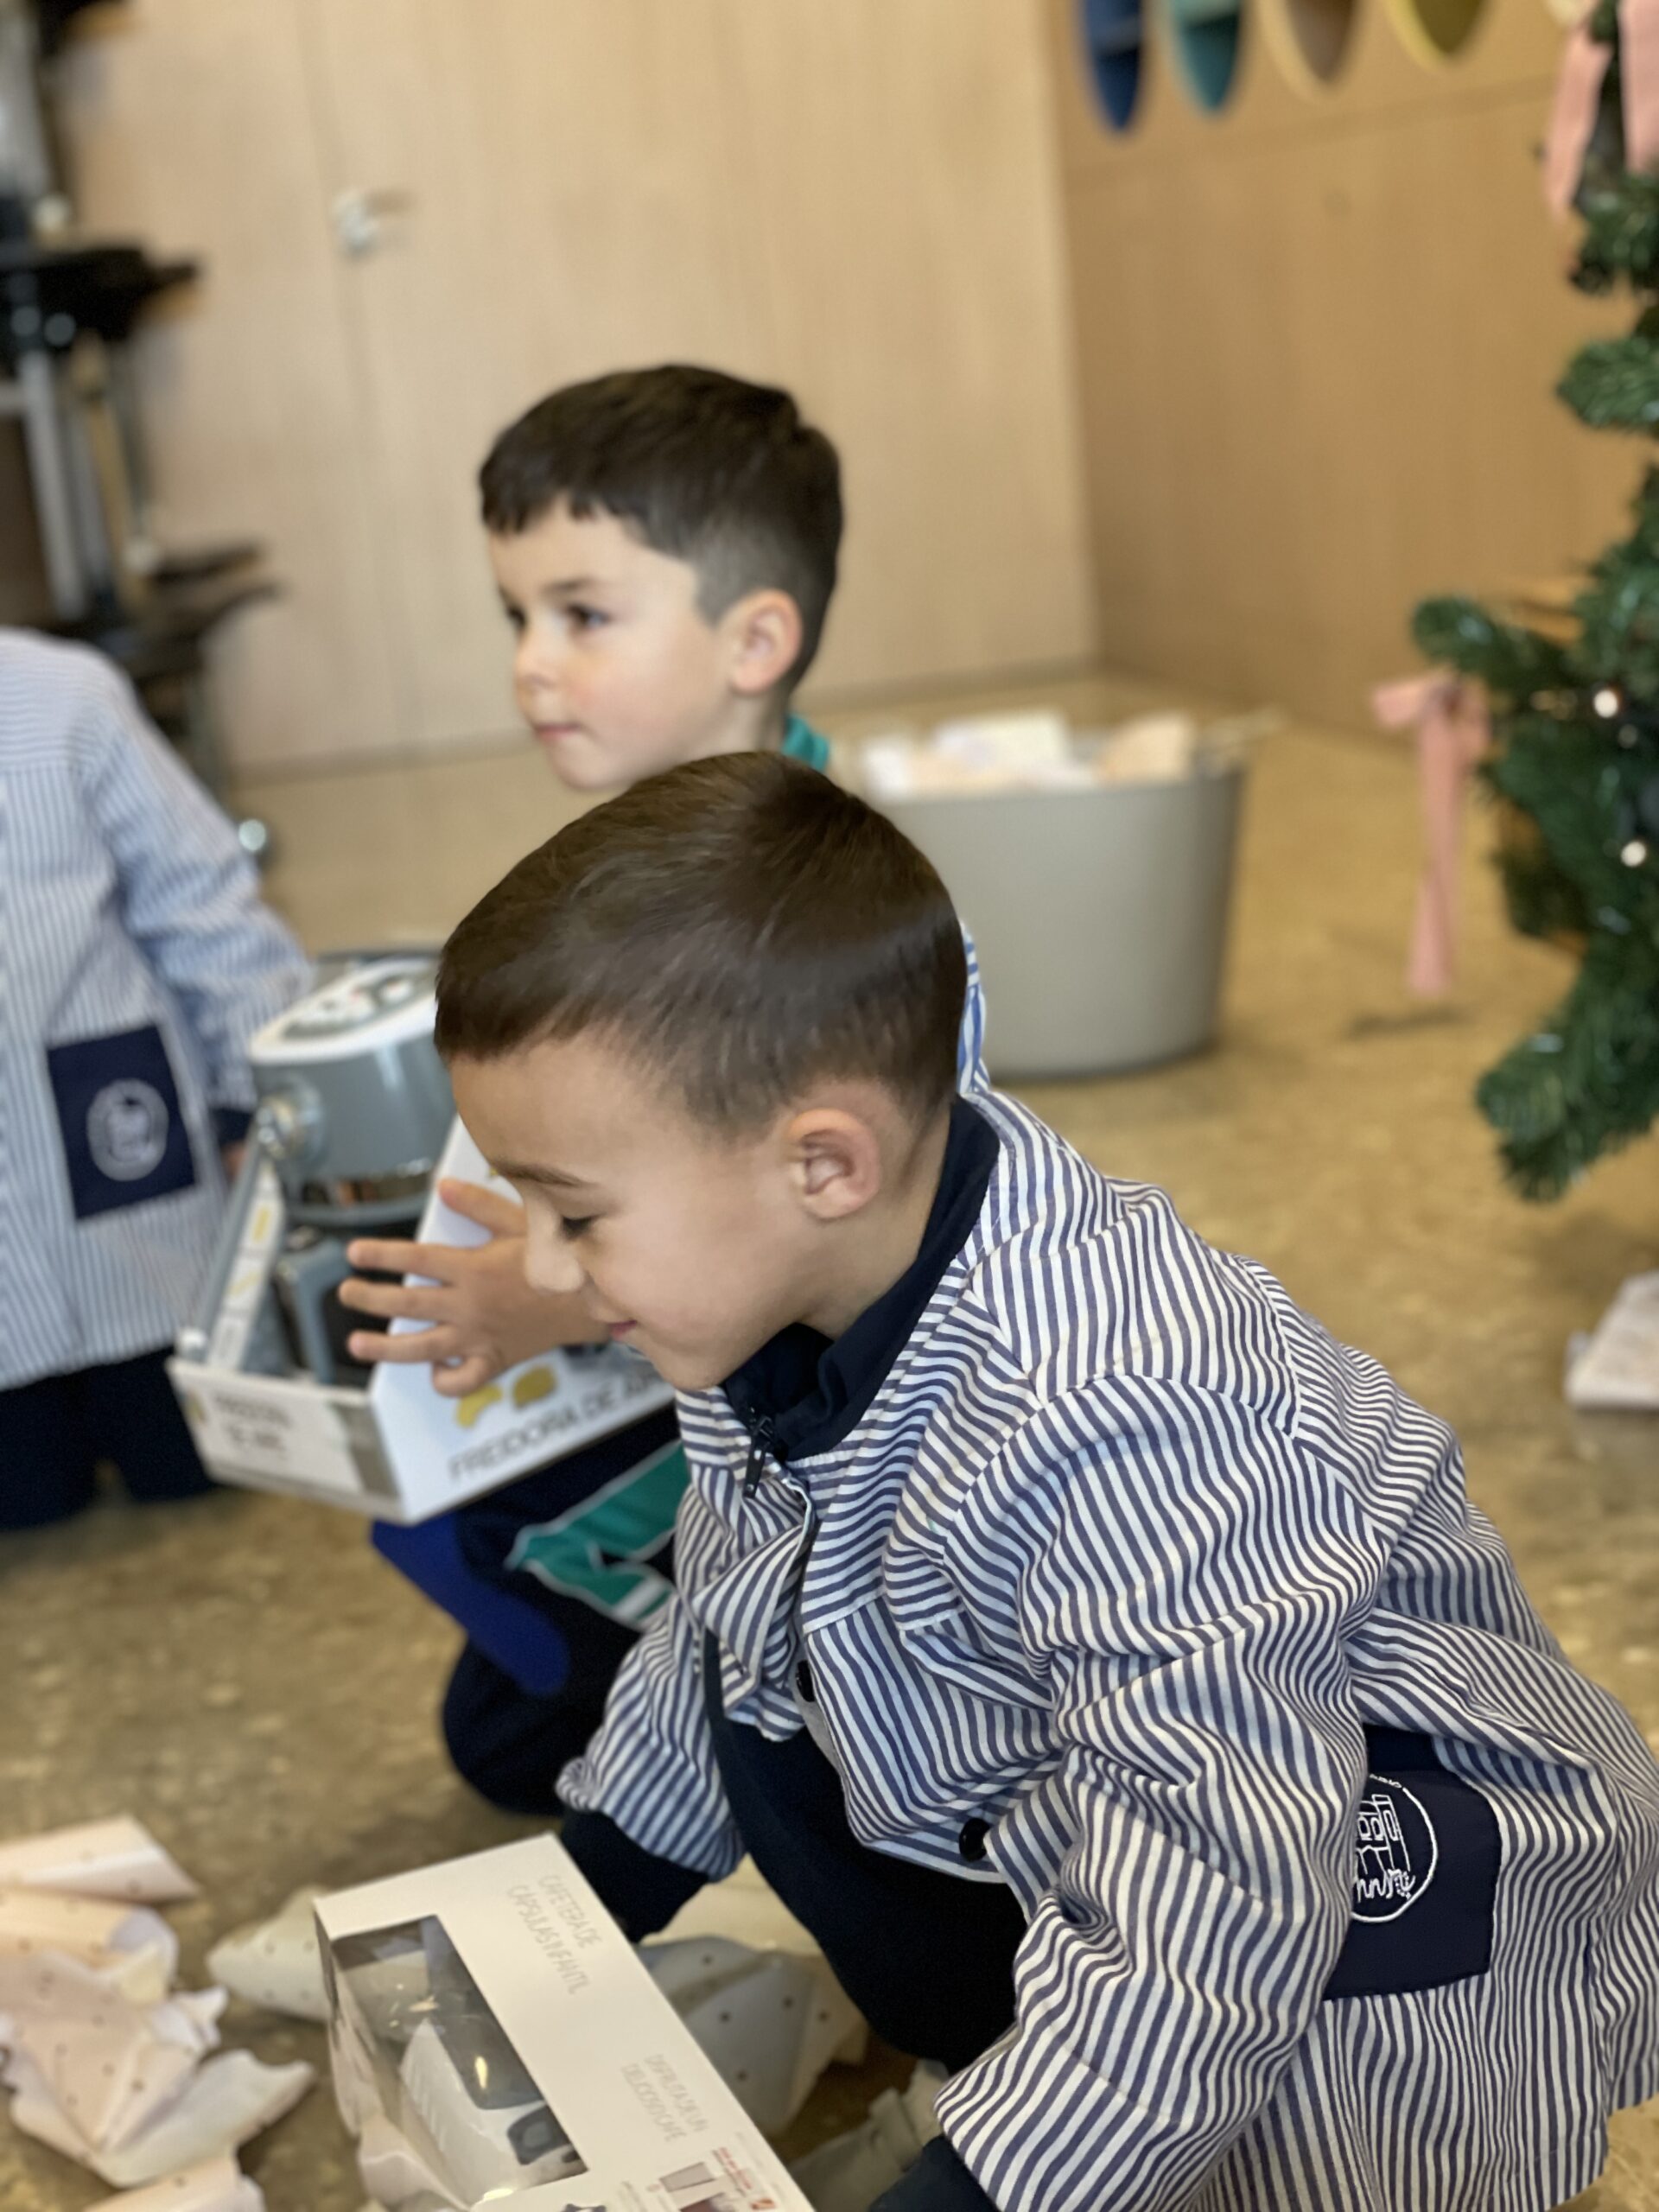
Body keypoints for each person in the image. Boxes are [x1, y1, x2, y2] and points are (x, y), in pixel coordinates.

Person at [432, 751, 1659, 2212]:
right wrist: (588, 1895)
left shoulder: (1121, 1411)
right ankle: (1007, 2088)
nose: (546, 1266)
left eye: (574, 1214)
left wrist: (975, 2194)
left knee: (1318, 2081)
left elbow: (1223, 1893)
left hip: (1364, 1907)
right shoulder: (800, 1279)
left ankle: (1047, 2135)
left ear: (824, 1164)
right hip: (1124, 1811)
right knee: (787, 1695)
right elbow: (730, 1624)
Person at [336, 365, 987, 1810]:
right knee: (500, 1694)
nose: (531, 664)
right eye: (515, 617)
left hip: (840, 1421)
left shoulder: (823, 921)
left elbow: (868, 1252)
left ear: (755, 640)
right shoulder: (654, 866)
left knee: (514, 1700)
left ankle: (784, 1711)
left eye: (583, 616)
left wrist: (545, 1301)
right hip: (677, 1359)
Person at [0, 629, 310, 1528]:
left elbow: (205, 909)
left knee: (194, 1468)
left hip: (127, 1186)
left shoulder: (63, 697)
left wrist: (252, 1102)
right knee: (31, 1505)